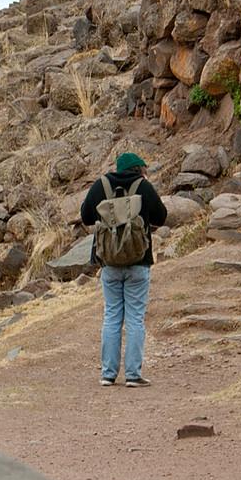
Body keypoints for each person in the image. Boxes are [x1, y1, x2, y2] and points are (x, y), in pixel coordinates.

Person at [80, 151, 167, 388]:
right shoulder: (143, 187)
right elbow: (162, 216)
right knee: (135, 319)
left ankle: (108, 374)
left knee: (111, 316)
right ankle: (132, 375)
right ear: (139, 169)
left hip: (108, 263)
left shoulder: (102, 185)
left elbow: (86, 217)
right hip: (138, 263)